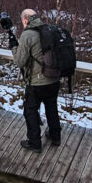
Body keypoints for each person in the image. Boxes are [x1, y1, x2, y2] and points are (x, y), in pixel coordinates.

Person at [12, 9, 61, 153]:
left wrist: (14, 47)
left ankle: (35, 143)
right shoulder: (49, 30)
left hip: (37, 82)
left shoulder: (27, 34)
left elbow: (20, 62)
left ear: (25, 20)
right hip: (54, 78)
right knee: (51, 107)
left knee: (30, 111)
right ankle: (55, 136)